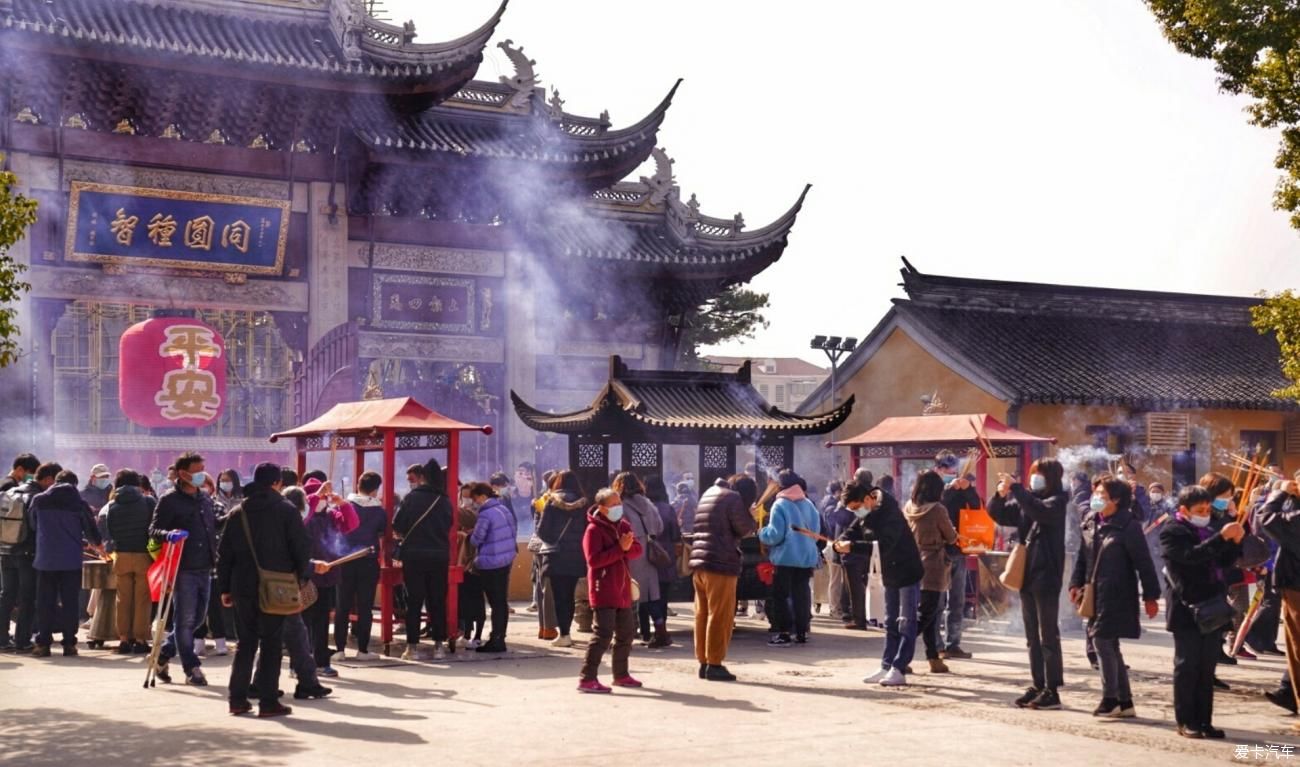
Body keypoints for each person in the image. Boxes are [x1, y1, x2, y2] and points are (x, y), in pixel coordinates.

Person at [219, 463, 314, 718]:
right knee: (272, 643)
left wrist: (225, 588)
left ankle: (237, 699)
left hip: (242, 587)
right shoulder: (287, 510)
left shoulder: (238, 512)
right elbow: (301, 548)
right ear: (277, 483)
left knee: (245, 644)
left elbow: (224, 554)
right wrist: (301, 577)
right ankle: (268, 701)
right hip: (278, 587)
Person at [1069, 478, 1161, 719]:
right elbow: (1083, 555)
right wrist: (1075, 582)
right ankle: (1124, 701)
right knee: (1109, 645)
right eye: (1095, 493)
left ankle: (1111, 699)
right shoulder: (1090, 520)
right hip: (1093, 591)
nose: (1096, 498)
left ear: (1116, 500)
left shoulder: (1128, 526)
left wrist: (1151, 596)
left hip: (1118, 592)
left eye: (1102, 494)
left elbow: (1144, 562)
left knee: (1101, 641)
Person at [989, 459, 1069, 710]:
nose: (1034, 478)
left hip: (1047, 574)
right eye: (1033, 473)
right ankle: (1038, 683)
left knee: (1048, 635)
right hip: (1027, 575)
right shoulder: (1028, 499)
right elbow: (999, 513)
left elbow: (1040, 511)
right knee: (1031, 636)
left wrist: (1017, 489)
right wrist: (1000, 495)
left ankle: (1052, 689)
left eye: (1039, 475)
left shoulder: (1057, 501)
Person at [1165, 484, 1245, 739]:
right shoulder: (1172, 532)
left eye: (1208, 509)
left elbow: (1223, 561)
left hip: (1213, 604)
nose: (1205, 513)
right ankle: (1186, 720)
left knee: (1207, 667)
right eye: (1200, 510)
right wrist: (1221, 537)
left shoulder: (1209, 528)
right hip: (1187, 606)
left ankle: (1204, 721)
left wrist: (1234, 541)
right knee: (1187, 665)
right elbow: (1191, 557)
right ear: (1184, 510)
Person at [835, 481, 924, 686]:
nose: (857, 513)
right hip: (889, 572)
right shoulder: (866, 514)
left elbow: (883, 545)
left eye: (857, 508)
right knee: (890, 620)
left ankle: (899, 667)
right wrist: (843, 541)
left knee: (906, 621)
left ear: (868, 499)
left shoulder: (889, 511)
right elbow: (852, 531)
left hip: (907, 569)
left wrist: (853, 546)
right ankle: (886, 664)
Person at [149, 451, 218, 686]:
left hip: (205, 565)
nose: (201, 475)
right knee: (185, 619)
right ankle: (192, 667)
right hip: (183, 567)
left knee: (196, 619)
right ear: (182, 473)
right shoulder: (169, 499)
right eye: (197, 471)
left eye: (202, 470)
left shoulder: (204, 498)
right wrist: (169, 534)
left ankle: (164, 654)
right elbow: (154, 530)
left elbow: (212, 526)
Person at [690, 474, 758, 681]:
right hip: (721, 562)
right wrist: (751, 515)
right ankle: (715, 663)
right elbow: (745, 529)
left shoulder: (709, 493)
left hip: (700, 562)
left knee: (702, 613)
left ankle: (704, 661)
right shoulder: (734, 499)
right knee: (721, 615)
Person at [577, 488, 644, 693]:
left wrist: (626, 547)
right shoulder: (593, 531)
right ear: (602, 508)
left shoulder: (623, 525)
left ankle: (621, 674)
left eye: (619, 503)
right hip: (604, 588)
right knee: (603, 634)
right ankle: (587, 678)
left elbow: (637, 550)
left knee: (626, 633)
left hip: (622, 588)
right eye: (614, 505)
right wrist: (620, 549)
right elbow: (594, 561)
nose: (618, 508)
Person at [31, 468, 102, 656]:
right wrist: (96, 545)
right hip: (71, 561)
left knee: (45, 601)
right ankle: (69, 643)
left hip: (45, 560)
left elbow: (32, 525)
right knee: (70, 602)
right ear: (74, 485)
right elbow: (91, 530)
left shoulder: (39, 500)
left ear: (55, 481)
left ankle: (43, 643)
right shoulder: (79, 503)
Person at [392, 458, 453, 660]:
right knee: (437, 599)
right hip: (440, 555)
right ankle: (439, 647)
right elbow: (449, 524)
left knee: (414, 600)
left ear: (423, 478)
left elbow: (398, 524)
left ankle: (412, 648)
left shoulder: (411, 498)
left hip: (414, 556)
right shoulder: (444, 500)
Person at [758, 469, 823, 647]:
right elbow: (816, 532)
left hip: (785, 558)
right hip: (806, 557)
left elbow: (775, 535)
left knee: (780, 596)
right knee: (801, 595)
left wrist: (761, 533)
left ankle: (784, 633)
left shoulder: (780, 504)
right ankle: (801, 632)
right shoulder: (809, 504)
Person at [902, 470, 958, 674]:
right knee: (926, 614)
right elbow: (951, 537)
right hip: (933, 563)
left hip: (913, 560)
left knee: (930, 613)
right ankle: (900, 655)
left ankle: (933, 657)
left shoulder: (908, 507)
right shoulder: (938, 510)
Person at [302, 477, 358, 676]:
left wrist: (342, 504)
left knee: (321, 621)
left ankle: (321, 661)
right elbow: (305, 512)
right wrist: (316, 496)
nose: (323, 499)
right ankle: (299, 663)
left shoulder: (331, 516)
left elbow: (351, 524)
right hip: (305, 574)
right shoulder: (302, 517)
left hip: (327, 574)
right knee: (302, 622)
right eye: (320, 495)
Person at [336, 471, 386, 661]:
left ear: (358, 485)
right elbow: (382, 534)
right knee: (365, 606)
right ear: (375, 489)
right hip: (368, 561)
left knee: (343, 605)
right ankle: (362, 650)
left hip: (345, 560)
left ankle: (340, 649)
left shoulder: (345, 505)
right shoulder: (380, 511)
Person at [104, 469, 156, 654]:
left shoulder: (113, 505)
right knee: (142, 599)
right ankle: (141, 639)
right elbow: (154, 527)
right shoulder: (148, 502)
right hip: (143, 555)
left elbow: (109, 530)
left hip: (122, 555)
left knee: (122, 599)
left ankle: (124, 639)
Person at [535, 471, 589, 648]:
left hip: (556, 555)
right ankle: (567, 632)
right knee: (570, 594)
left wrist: (553, 540)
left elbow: (542, 531)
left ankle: (564, 634)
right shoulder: (583, 504)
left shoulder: (551, 502)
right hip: (575, 555)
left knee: (559, 595)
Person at [936, 450, 980, 660]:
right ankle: (936, 644)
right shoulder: (931, 485)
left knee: (957, 600)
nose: (950, 472)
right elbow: (934, 505)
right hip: (938, 551)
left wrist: (968, 488)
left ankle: (954, 643)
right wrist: (949, 488)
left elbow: (976, 507)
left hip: (959, 550)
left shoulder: (962, 485)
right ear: (938, 469)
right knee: (937, 600)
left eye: (952, 468)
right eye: (945, 468)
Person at [0, 454, 45, 651]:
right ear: (19, 469)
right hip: (24, 550)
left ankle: (2, 638)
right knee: (27, 596)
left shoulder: (4, 488)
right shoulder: (20, 490)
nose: (31, 477)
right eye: (29, 473)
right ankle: (22, 640)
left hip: (5, 548)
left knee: (7, 595)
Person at [614, 472, 665, 646]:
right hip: (649, 553)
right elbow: (659, 526)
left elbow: (619, 531)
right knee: (651, 596)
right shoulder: (648, 503)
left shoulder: (621, 506)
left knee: (628, 594)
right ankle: (661, 632)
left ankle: (627, 633)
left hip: (631, 552)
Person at [467, 481, 517, 653]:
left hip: (490, 562)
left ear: (482, 496)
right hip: (506, 559)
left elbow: (476, 539)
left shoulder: (485, 514)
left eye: (475, 499)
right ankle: (500, 637)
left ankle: (496, 640)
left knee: (495, 602)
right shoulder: (504, 509)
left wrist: (469, 534)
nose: (474, 503)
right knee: (501, 602)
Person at [643, 475, 680, 648]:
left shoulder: (642, 507)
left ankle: (646, 631)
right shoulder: (668, 509)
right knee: (662, 596)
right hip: (665, 555)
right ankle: (661, 629)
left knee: (646, 596)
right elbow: (675, 534)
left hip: (646, 555)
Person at [828, 485, 869, 630]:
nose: (852, 510)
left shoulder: (873, 509)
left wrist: (849, 544)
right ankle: (859, 619)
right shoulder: (863, 510)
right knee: (854, 589)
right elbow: (852, 528)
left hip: (862, 553)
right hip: (855, 553)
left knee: (859, 588)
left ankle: (861, 619)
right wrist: (841, 540)